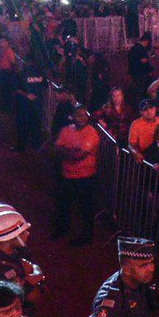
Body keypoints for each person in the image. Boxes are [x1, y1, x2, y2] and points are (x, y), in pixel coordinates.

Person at [52, 104, 100, 245]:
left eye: (85, 115)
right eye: (79, 115)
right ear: (72, 117)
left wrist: (66, 151)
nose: (82, 118)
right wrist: (71, 152)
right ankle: (63, 228)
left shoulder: (92, 133)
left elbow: (78, 156)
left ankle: (86, 236)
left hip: (85, 176)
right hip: (67, 174)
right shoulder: (66, 130)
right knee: (63, 204)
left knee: (84, 207)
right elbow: (56, 148)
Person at [0, 208, 45, 301]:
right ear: (10, 238)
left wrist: (36, 273)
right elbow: (34, 295)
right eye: (23, 232)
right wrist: (33, 275)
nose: (27, 234)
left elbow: (33, 266)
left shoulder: (3, 251)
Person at [87, 237, 156, 317]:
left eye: (151, 262)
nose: (151, 269)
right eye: (143, 265)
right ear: (126, 270)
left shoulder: (142, 281)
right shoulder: (112, 298)